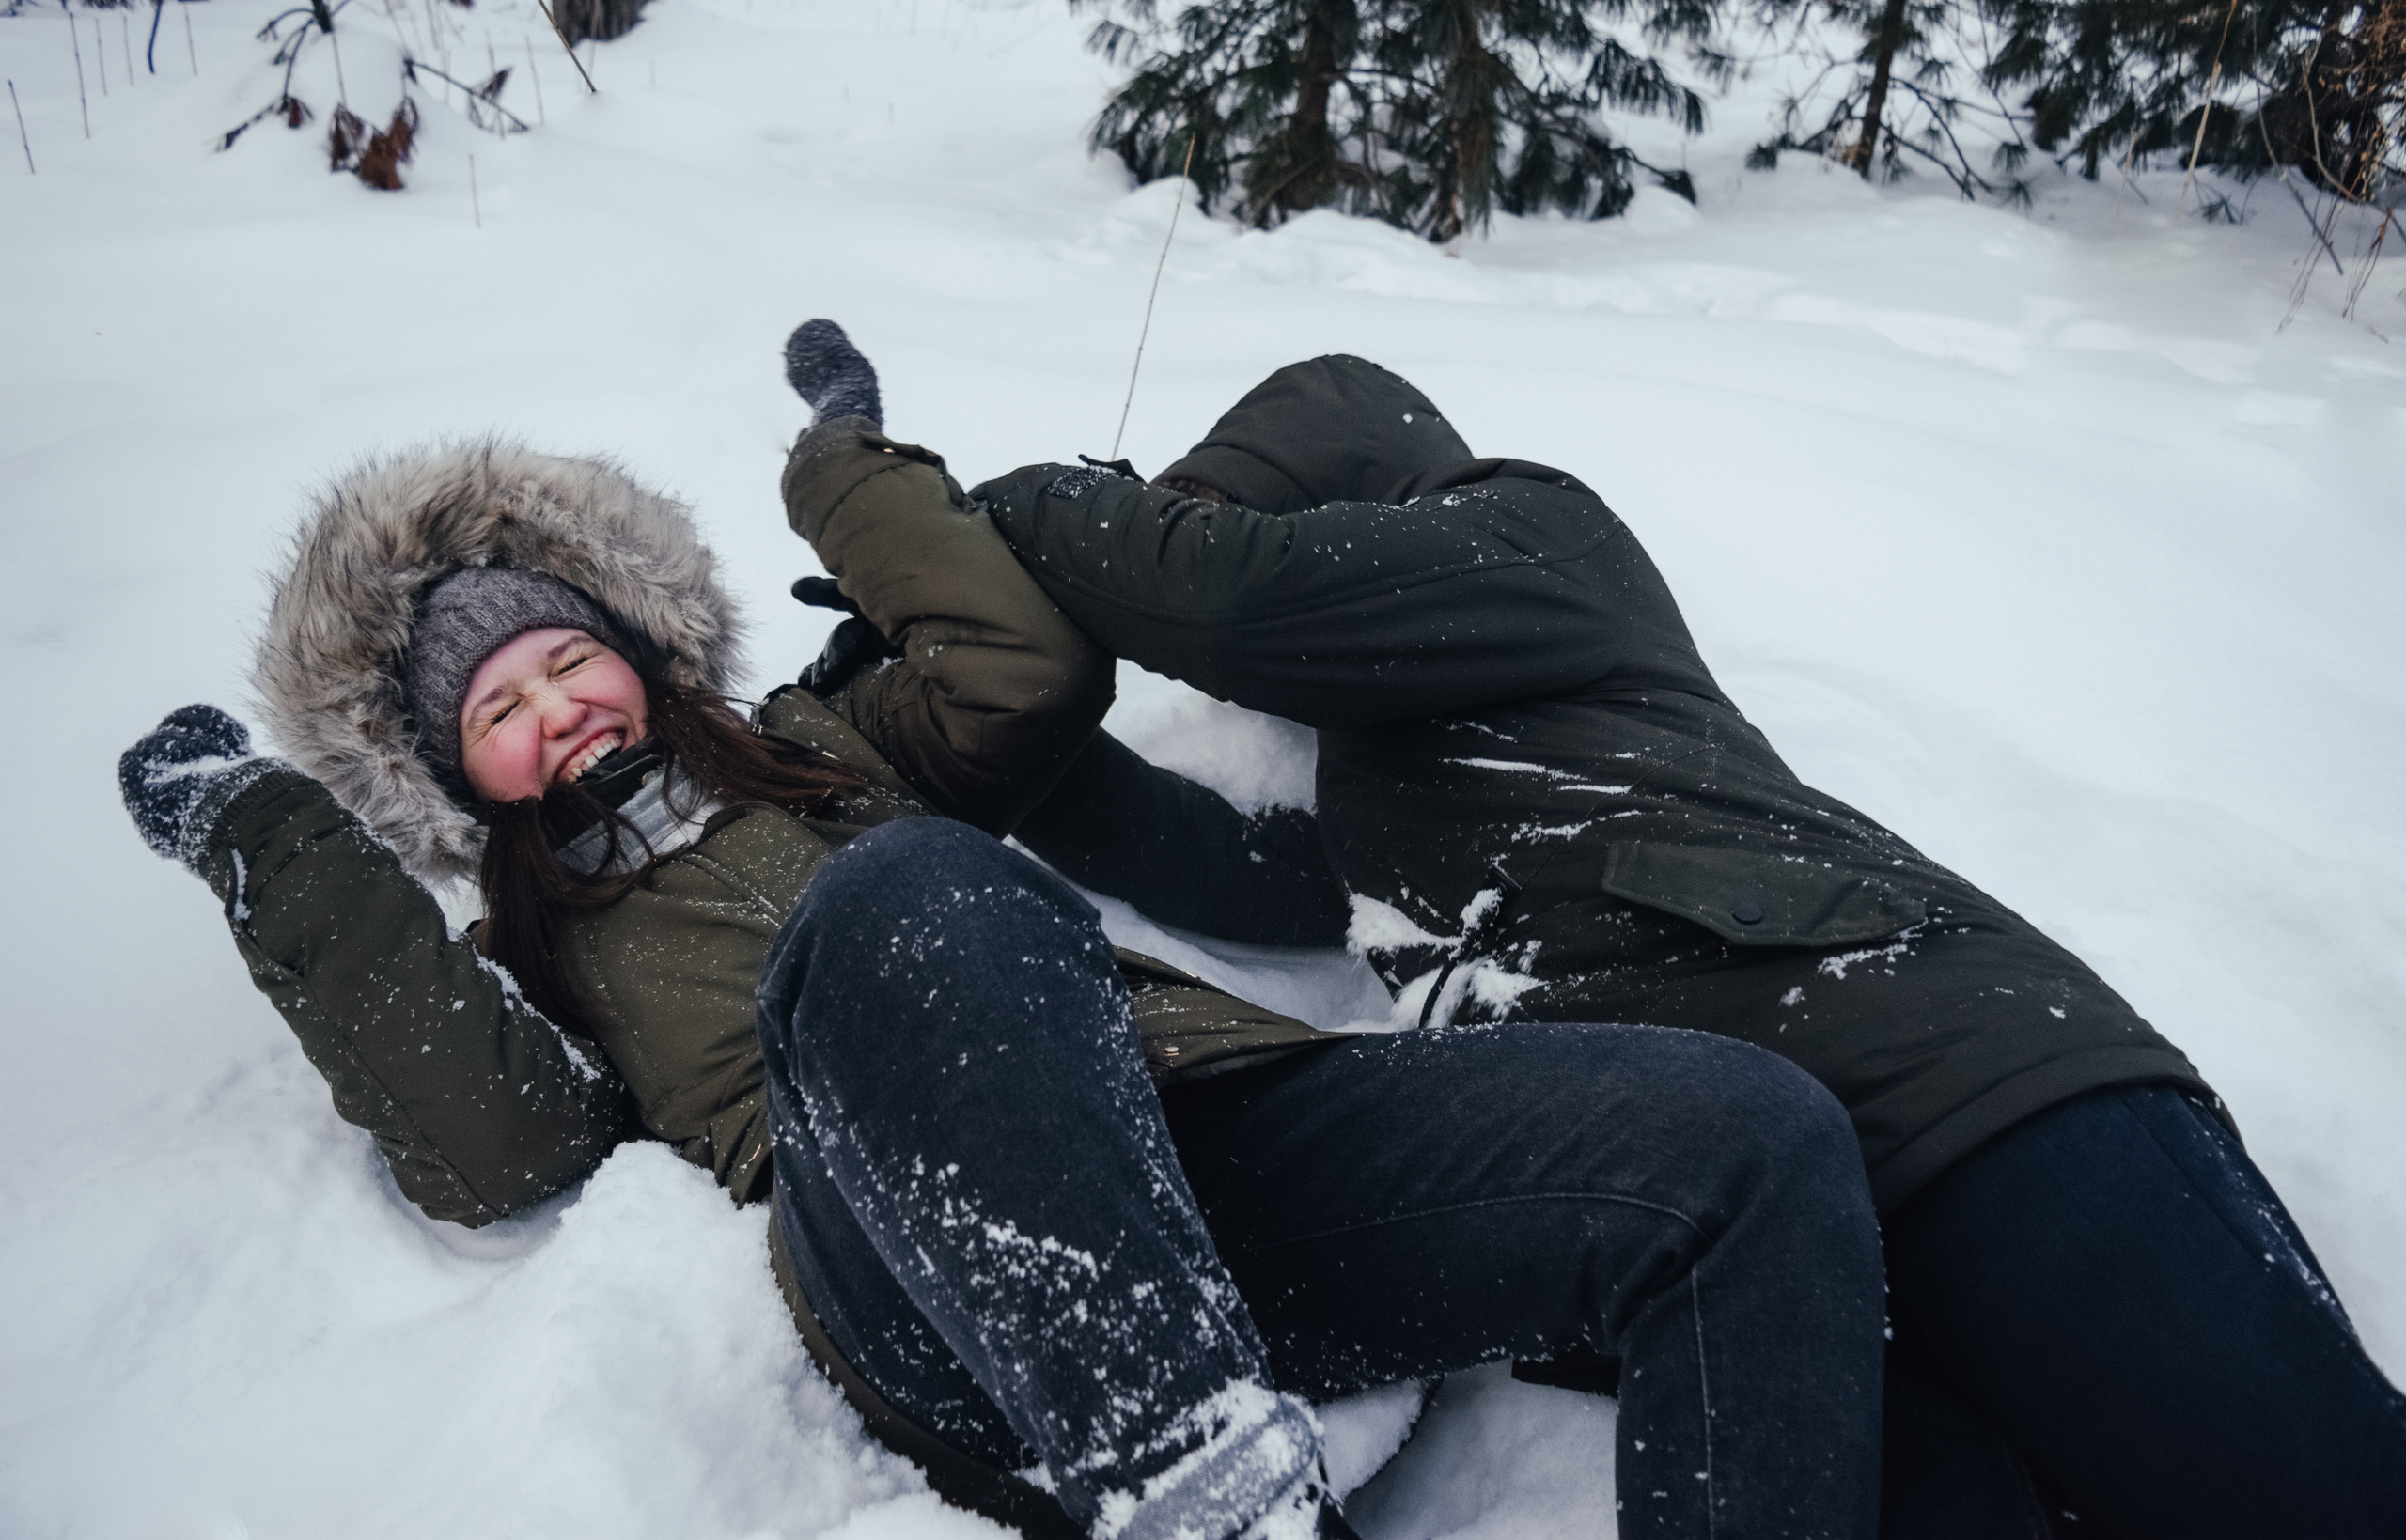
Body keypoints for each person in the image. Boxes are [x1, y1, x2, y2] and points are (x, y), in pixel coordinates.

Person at [116, 326, 1891, 1540]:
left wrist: (845, 465)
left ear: (644, 655)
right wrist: (266, 827)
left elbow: (1022, 671)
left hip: (1190, 1141)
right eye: (497, 707)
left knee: (1747, 1144)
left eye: (573, 654)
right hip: (932, 1275)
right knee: (915, 899)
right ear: (451, 776)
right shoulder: (546, 962)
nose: (557, 706)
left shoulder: (829, 751)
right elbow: (490, 1140)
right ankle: (1198, 1486)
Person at [950, 351, 2406, 1538]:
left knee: (2302, 1499)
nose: (1193, 540)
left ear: (1330, 481)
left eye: (1225, 505)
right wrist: (960, 717)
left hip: (1968, 1077)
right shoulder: (1384, 756)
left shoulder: (1534, 532)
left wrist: (999, 520)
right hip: (1779, 1205)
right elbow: (1228, 866)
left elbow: (1225, 595)